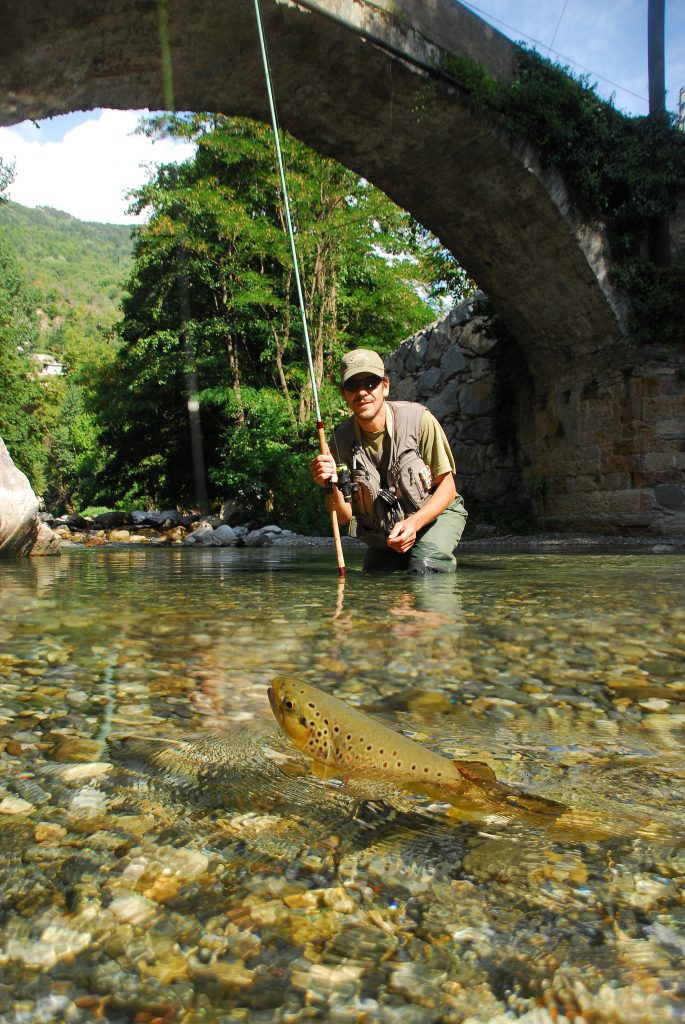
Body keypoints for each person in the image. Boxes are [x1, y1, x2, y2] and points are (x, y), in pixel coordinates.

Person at [310, 348, 468, 573]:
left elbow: (448, 487)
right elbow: (343, 517)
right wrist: (330, 484)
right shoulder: (337, 443)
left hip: (435, 516)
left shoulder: (419, 420)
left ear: (385, 386)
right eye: (353, 386)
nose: (362, 392)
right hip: (385, 533)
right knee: (377, 587)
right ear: (344, 393)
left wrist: (413, 524)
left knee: (424, 566)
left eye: (370, 383)